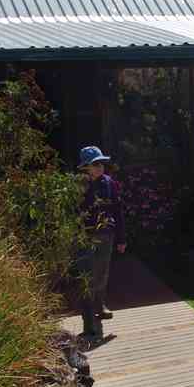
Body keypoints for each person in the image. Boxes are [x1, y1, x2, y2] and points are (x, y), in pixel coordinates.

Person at [77, 146, 126, 342]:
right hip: (85, 237)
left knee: (102, 274)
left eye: (101, 163)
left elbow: (118, 211)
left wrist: (121, 238)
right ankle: (88, 323)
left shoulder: (110, 184)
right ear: (85, 167)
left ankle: (99, 304)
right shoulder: (78, 186)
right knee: (87, 279)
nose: (100, 167)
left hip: (106, 236)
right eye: (95, 164)